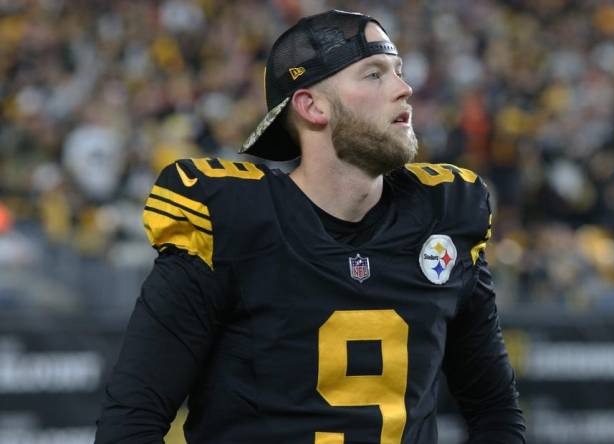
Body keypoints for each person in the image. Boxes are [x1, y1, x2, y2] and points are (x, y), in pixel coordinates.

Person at [95, 9, 526, 444]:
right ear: (311, 105)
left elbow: (496, 411)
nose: (404, 88)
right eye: (374, 74)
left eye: (398, 71)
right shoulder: (232, 225)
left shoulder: (445, 215)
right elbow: (131, 423)